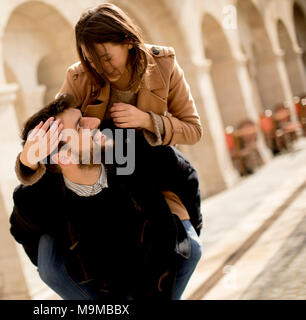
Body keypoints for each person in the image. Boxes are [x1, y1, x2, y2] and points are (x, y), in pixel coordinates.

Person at [16, 3, 203, 236]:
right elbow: (55, 130)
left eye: (106, 57)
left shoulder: (164, 65)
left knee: (187, 247)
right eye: (92, 61)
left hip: (149, 178)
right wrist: (27, 160)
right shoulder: (79, 77)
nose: (102, 68)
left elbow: (193, 129)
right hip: (95, 190)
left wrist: (146, 120)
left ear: (127, 40)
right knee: (53, 269)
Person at [10, 94, 202, 300]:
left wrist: (192, 225)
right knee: (51, 270)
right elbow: (23, 233)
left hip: (158, 256)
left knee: (191, 249)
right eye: (79, 125)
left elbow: (185, 174)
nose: (94, 121)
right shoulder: (37, 198)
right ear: (62, 157)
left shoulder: (129, 145)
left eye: (83, 115)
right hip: (99, 279)